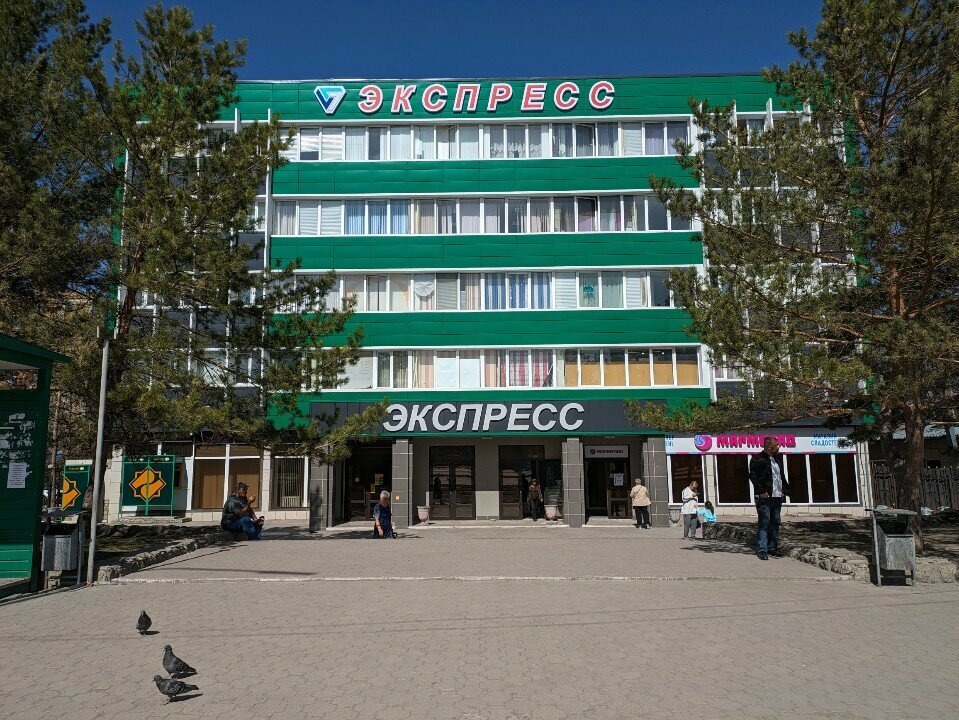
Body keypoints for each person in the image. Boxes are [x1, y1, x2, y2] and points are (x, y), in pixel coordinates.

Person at [749, 436, 790, 560]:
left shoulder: (776, 460)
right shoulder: (757, 459)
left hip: (777, 497)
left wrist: (785, 490)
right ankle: (762, 549)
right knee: (764, 523)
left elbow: (781, 477)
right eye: (777, 445)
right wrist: (761, 491)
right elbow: (753, 476)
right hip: (764, 497)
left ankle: (772, 547)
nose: (779, 447)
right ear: (769, 446)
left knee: (775, 522)